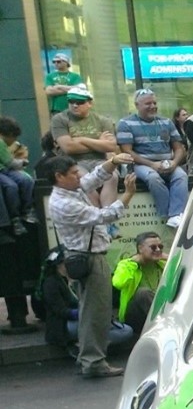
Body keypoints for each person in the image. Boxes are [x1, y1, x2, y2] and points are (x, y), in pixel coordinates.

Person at [47, 153, 139, 377]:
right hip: (89, 258)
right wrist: (128, 194)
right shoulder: (63, 203)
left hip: (86, 256)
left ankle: (88, 359)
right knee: (96, 313)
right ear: (59, 177)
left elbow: (93, 179)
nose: (79, 176)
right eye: (73, 173)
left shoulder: (70, 189)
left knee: (91, 311)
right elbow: (105, 215)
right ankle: (94, 362)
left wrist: (113, 161)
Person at [40, 247, 134, 355]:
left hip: (83, 317)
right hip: (64, 324)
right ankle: (89, 347)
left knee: (125, 331)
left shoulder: (76, 278)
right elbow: (60, 311)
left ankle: (83, 345)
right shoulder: (51, 283)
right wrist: (82, 313)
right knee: (103, 328)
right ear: (60, 264)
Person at [117, 88, 188, 227]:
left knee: (181, 176)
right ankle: (167, 214)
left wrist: (174, 162)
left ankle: (176, 214)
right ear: (137, 105)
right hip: (141, 165)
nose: (153, 107)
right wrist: (152, 164)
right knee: (153, 178)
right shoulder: (126, 123)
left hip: (167, 162)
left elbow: (179, 148)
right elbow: (127, 151)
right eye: (148, 104)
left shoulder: (166, 122)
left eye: (154, 103)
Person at [49, 84, 119, 206]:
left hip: (99, 159)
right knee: (84, 180)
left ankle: (108, 218)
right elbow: (68, 148)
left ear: (89, 103)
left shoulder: (102, 120)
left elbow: (111, 146)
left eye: (80, 102)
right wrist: (99, 142)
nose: (75, 105)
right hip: (73, 162)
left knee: (112, 176)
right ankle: (97, 216)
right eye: (71, 101)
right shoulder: (59, 119)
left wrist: (81, 139)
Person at [112, 231, 167, 336]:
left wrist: (169, 257)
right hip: (134, 315)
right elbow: (118, 283)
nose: (158, 250)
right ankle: (164, 327)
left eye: (160, 246)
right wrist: (133, 263)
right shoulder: (126, 264)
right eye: (153, 247)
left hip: (161, 308)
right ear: (140, 248)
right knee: (143, 293)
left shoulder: (163, 264)